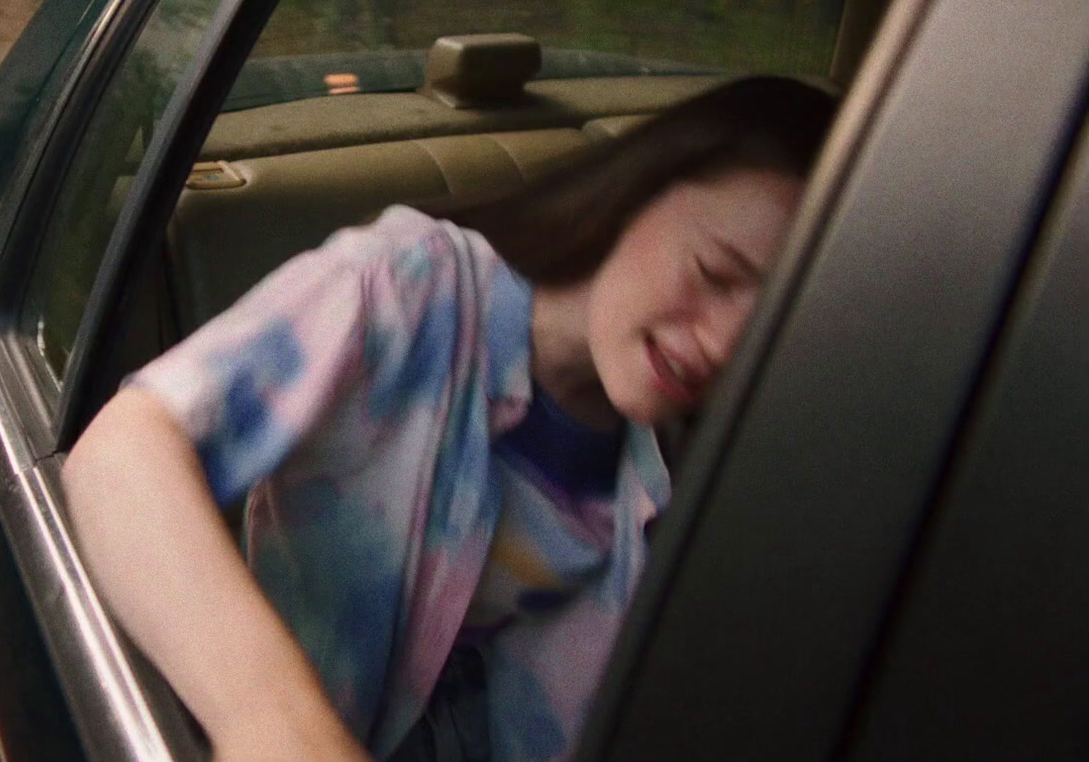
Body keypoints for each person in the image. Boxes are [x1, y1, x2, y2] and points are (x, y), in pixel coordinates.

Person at [63, 75, 837, 762]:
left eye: (772, 324)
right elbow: (126, 448)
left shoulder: (680, 455)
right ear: (642, 190)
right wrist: (272, 723)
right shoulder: (411, 283)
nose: (722, 346)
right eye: (714, 272)